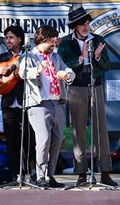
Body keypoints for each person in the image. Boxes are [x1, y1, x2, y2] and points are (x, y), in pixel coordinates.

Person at [57, 6, 117, 187]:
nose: (86, 26)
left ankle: (105, 172)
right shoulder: (66, 43)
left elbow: (107, 66)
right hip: (76, 88)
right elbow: (63, 64)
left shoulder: (98, 40)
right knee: (78, 131)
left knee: (101, 130)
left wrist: (97, 57)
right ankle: (81, 173)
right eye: (82, 24)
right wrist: (81, 58)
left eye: (87, 23)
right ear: (74, 26)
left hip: (96, 85)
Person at [19, 25, 75, 188]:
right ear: (42, 39)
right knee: (43, 140)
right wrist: (38, 69)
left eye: (55, 40)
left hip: (57, 102)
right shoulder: (29, 55)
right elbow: (23, 73)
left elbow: (69, 71)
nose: (54, 43)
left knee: (57, 141)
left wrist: (67, 75)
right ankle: (40, 176)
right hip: (39, 104)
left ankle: (50, 176)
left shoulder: (56, 58)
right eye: (52, 40)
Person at [0, 25, 35, 181]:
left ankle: (31, 173)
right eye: (6, 38)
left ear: (19, 39)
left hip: (28, 103)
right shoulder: (4, 57)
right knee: (12, 142)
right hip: (9, 104)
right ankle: (15, 175)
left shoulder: (29, 55)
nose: (8, 40)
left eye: (11, 37)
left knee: (30, 140)